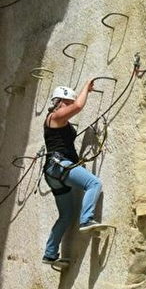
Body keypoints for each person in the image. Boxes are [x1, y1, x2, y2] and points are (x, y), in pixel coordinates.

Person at [42, 80, 104, 265]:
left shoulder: (62, 122)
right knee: (94, 183)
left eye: (69, 103)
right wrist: (86, 87)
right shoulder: (54, 117)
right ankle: (87, 220)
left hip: (54, 172)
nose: (69, 106)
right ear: (59, 101)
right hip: (59, 165)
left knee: (66, 214)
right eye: (66, 103)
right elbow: (78, 105)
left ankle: (50, 254)